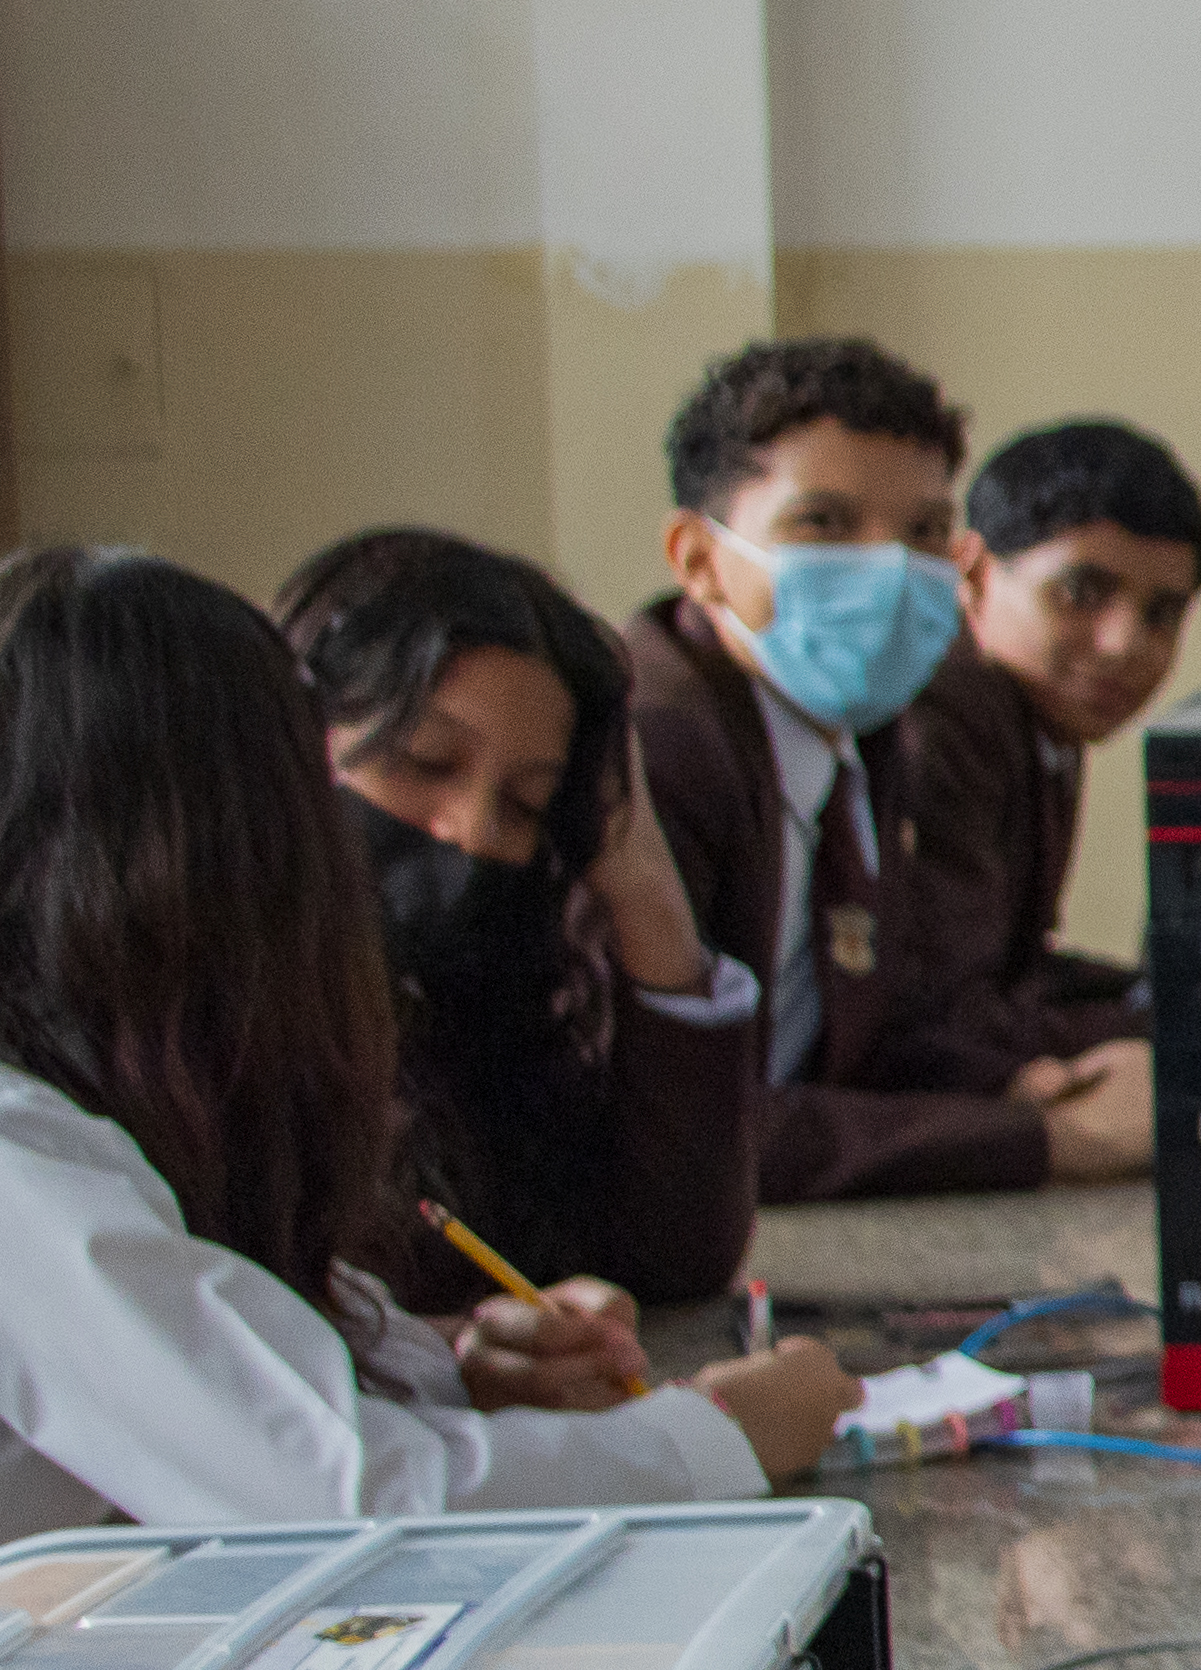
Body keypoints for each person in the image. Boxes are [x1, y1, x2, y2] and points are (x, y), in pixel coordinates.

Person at [0, 548, 849, 1537]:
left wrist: (449, 1371)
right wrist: (713, 1436)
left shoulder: (110, 1089)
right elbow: (335, 1494)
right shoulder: (23, 1163)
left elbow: (251, 1349)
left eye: (526, 805)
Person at [620, 335, 1152, 1198]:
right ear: (699, 560)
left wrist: (1006, 1080)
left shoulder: (859, 726)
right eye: (823, 523)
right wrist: (1038, 1138)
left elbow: (866, 1035)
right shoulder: (653, 756)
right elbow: (684, 1125)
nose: (890, 570)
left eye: (923, 531)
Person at [273, 525, 761, 1315]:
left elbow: (678, 1261)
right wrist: (456, 1355)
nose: (470, 830)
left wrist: (648, 897)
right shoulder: (208, 1014)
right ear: (295, 743)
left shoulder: (496, 1009)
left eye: (525, 802)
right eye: (426, 763)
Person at [899, 414, 1201, 1059]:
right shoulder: (943, 716)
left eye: (1163, 613)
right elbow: (945, 1025)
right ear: (975, 573)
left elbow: (1016, 971)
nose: (1125, 644)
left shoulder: (1044, 712)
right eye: (1079, 592)